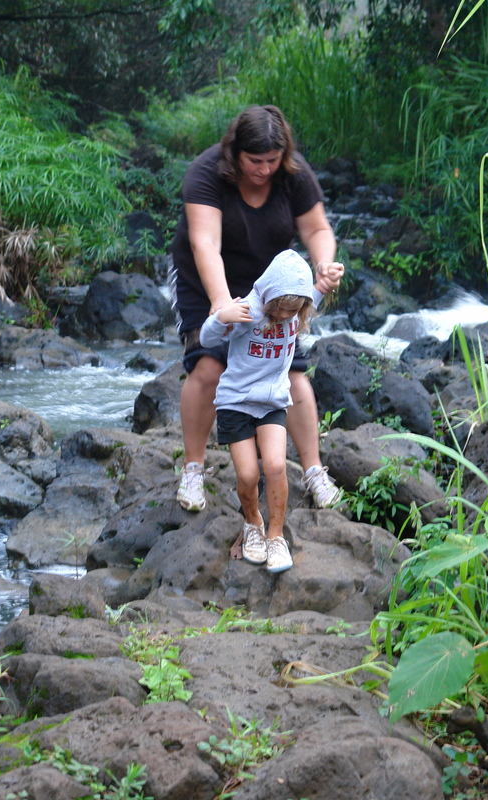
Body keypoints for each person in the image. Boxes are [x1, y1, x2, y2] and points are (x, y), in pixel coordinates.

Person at [169, 104, 344, 513]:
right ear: (235, 153)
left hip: (273, 286)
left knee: (291, 375)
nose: (264, 169)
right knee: (210, 366)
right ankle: (193, 469)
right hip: (205, 278)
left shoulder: (292, 172)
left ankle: (314, 471)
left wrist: (322, 265)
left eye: (272, 160)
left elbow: (317, 228)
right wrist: (220, 305)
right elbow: (204, 244)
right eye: (255, 161)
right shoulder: (206, 172)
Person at [199, 249, 342, 572]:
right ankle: (253, 523)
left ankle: (276, 536)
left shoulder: (297, 309)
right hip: (235, 401)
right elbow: (207, 340)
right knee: (248, 473)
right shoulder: (248, 310)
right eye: (280, 310)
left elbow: (316, 293)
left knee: (276, 466)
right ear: (269, 297)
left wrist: (326, 281)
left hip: (273, 401)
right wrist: (222, 317)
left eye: (294, 311)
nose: (285, 317)